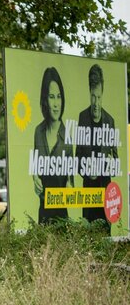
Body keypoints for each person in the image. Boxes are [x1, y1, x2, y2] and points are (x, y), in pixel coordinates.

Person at [75, 64, 116, 225]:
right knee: (88, 232)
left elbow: (115, 156)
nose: (96, 102)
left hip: (106, 189)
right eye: (93, 96)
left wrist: (108, 164)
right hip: (89, 190)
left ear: (102, 94)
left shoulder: (110, 120)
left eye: (99, 97)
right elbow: (77, 155)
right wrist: (85, 171)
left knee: (105, 230)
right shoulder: (82, 117)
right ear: (89, 92)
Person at [32, 67, 72, 223]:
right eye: (51, 97)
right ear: (45, 100)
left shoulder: (67, 134)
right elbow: (35, 166)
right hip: (43, 211)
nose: (56, 104)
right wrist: (34, 178)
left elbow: (71, 177)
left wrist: (70, 186)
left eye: (59, 97)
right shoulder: (38, 131)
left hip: (61, 212)